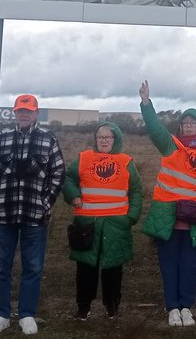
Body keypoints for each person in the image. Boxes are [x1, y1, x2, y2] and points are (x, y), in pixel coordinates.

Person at [138, 80, 196, 327]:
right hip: (169, 219)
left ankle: (186, 307)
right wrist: (146, 103)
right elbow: (155, 129)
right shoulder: (171, 147)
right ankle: (172, 308)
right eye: (184, 123)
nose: (187, 126)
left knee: (191, 266)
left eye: (192, 123)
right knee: (169, 266)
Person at [0, 94, 65, 336]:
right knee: (2, 267)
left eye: (28, 111)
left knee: (33, 267)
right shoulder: (2, 138)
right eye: (20, 111)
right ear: (15, 113)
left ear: (36, 113)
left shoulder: (48, 139)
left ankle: (27, 314)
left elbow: (58, 173)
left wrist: (45, 203)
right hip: (4, 214)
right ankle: (1, 314)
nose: (24, 114)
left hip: (35, 216)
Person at [62, 122, 143, 321]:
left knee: (113, 268)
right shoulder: (83, 158)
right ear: (95, 138)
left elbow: (136, 191)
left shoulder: (126, 162)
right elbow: (68, 178)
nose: (104, 140)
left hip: (117, 225)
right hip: (87, 224)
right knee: (85, 268)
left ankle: (112, 305)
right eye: (100, 136)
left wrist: (131, 216)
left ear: (116, 139)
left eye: (108, 137)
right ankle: (83, 307)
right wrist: (73, 195)